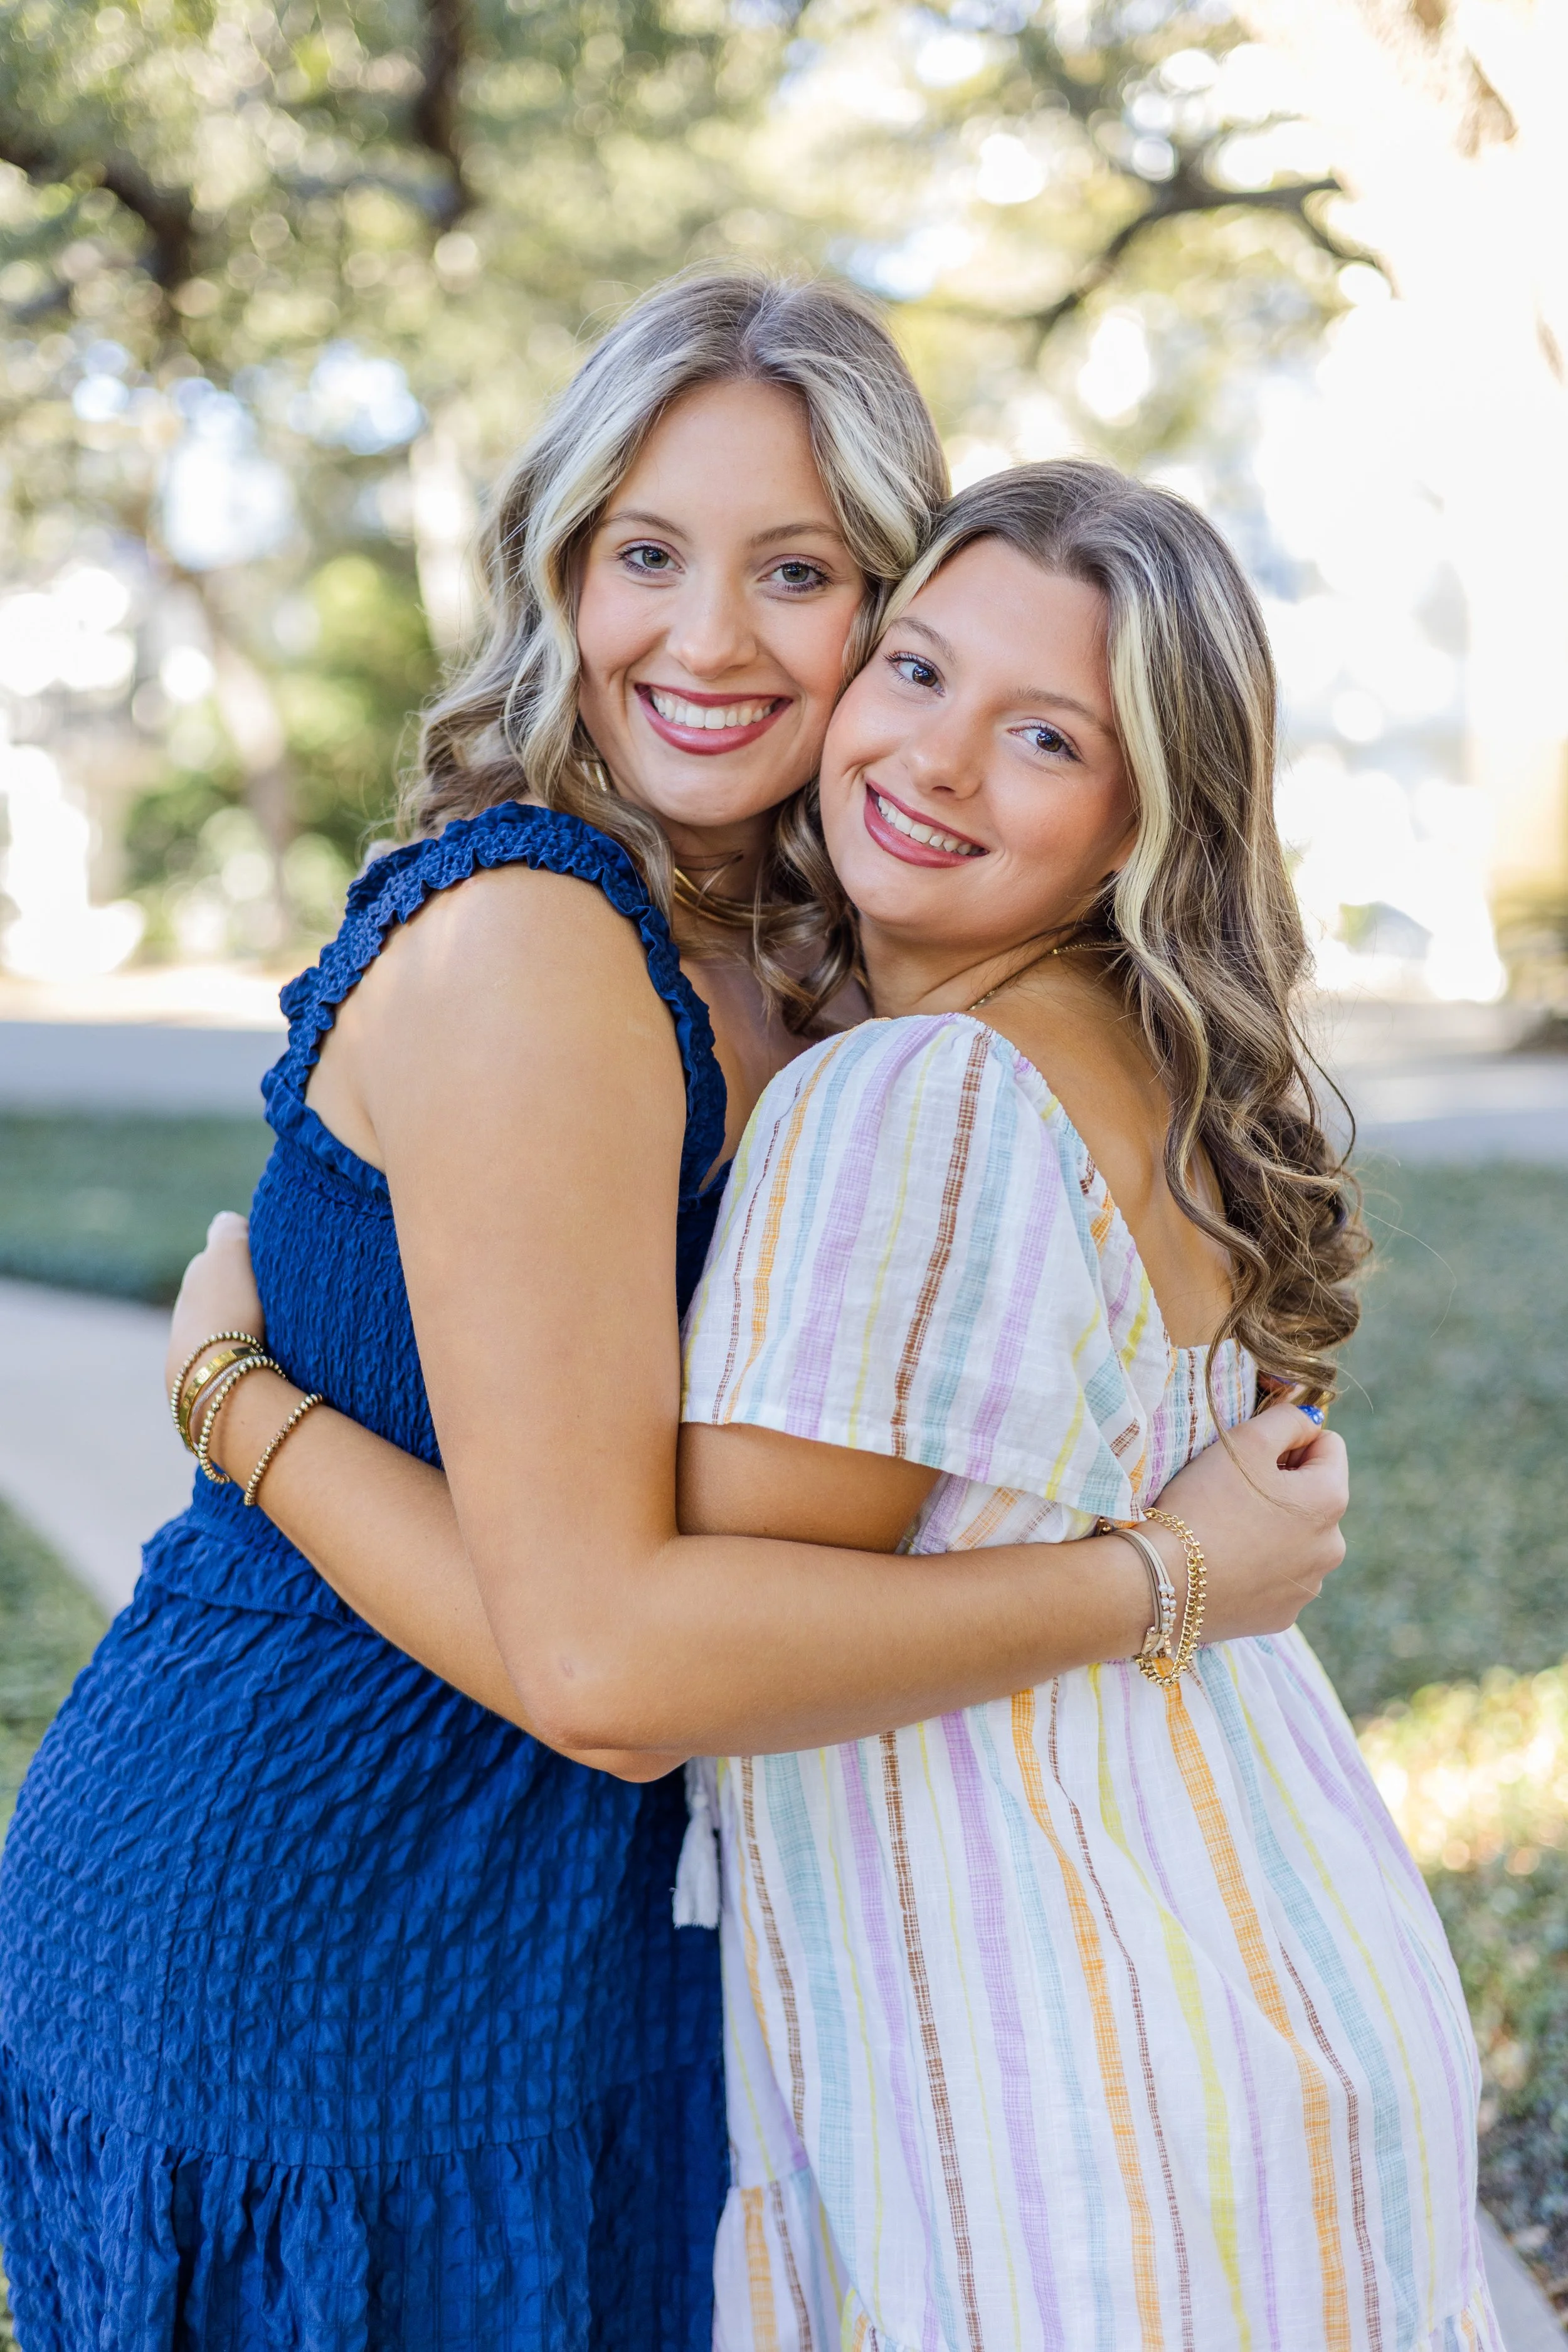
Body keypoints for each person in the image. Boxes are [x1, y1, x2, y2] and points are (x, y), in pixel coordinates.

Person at [80, 367, 1346, 2351]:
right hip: (321, 1893)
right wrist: (236, 1407)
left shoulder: (831, 984)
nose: (709, 636)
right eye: (647, 555)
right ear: (561, 568)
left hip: (601, 1929)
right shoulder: (542, 940)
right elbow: (611, 1665)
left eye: (802, 572)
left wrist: (239, 1403)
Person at [677, 463, 1496, 2349]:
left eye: (1041, 734)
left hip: (1062, 2075)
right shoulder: (1139, 1054)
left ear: (1145, 811)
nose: (935, 762)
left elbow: (690, 1651)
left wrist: (245, 1406)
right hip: (1265, 1977)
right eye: (912, 671)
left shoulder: (914, 1100)